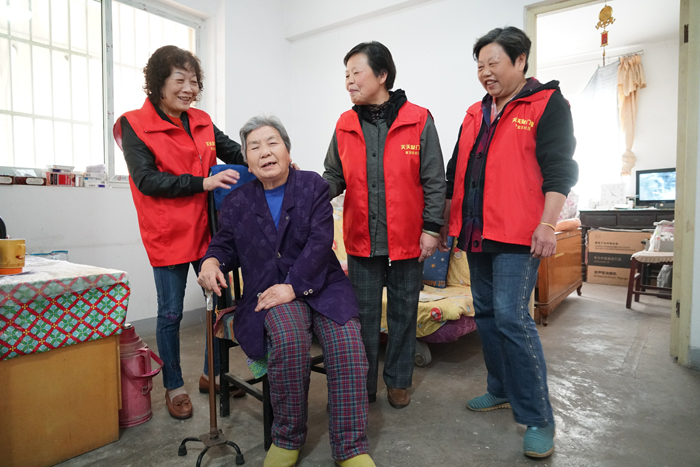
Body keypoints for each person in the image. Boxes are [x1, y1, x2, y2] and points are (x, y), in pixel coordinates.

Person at [198, 116, 375, 467]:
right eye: (254, 147)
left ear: (288, 151)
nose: (265, 152)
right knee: (289, 340)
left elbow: (321, 242)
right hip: (269, 289)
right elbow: (224, 245)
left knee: (348, 344)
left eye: (272, 142)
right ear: (247, 161)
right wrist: (211, 261)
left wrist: (293, 286)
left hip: (321, 285)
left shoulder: (312, 186)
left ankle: (351, 447)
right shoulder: (237, 201)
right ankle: (287, 438)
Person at [442, 27, 578, 458]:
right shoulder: (474, 113)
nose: (485, 72)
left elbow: (560, 169)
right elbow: (455, 172)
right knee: (486, 314)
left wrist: (548, 224)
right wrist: (444, 223)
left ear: (520, 61)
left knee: (513, 319)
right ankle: (499, 388)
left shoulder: (546, 103)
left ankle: (538, 418)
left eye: (494, 62)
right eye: (480, 65)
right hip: (476, 232)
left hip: (519, 235)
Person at [113, 45, 245, 420]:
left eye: (194, 81)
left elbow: (234, 151)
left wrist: (270, 158)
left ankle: (211, 374)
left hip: (208, 231)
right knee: (170, 314)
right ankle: (174, 386)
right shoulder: (133, 124)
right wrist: (202, 182)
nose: (189, 89)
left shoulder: (201, 120)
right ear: (159, 82)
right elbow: (146, 179)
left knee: (217, 306)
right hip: (167, 233)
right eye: (180, 80)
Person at [323, 41, 446, 409]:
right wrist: (306, 190)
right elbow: (333, 175)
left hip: (408, 238)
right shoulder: (345, 123)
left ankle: (398, 381)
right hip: (362, 236)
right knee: (362, 316)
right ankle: (363, 385)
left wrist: (431, 229)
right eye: (345, 74)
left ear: (382, 75)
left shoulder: (418, 119)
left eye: (356, 72)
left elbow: (434, 179)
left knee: (404, 312)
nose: (349, 81)